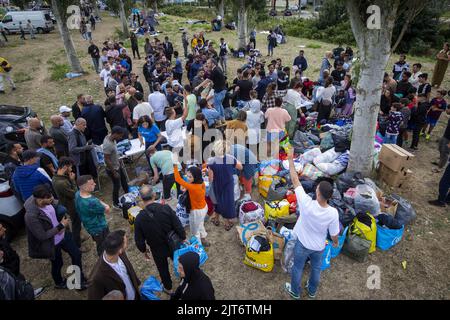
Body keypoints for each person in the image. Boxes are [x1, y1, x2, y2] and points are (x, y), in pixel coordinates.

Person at [284, 149, 339, 300]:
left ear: (318, 192)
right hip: (319, 247)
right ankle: (312, 291)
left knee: (297, 267)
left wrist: (290, 159)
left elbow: (295, 180)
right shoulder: (333, 213)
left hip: (302, 244)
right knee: (316, 269)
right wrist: (335, 242)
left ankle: (295, 292)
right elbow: (334, 234)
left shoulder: (306, 202)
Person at [24, 185, 87, 290]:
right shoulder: (31, 216)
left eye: (51, 196)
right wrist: (60, 226)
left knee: (76, 254)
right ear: (40, 200)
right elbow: (42, 236)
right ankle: (59, 282)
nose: (52, 198)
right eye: (49, 198)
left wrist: (61, 223)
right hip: (52, 243)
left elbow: (54, 210)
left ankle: (78, 280)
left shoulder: (46, 200)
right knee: (58, 263)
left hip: (63, 235)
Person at [134, 185, 187, 294]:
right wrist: (183, 237)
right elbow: (177, 225)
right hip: (173, 243)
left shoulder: (139, 218)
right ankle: (185, 280)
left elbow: (139, 240)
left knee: (163, 269)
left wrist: (144, 250)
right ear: (154, 195)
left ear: (141, 198)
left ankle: (168, 288)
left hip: (156, 248)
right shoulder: (165, 208)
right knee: (179, 262)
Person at [88, 230, 140, 300]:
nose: (127, 243)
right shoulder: (96, 278)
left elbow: (129, 270)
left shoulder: (119, 253)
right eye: (125, 242)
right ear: (120, 250)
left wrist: (137, 284)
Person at [208, 140, 243, 231]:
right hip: (228, 184)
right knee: (228, 202)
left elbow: (210, 178)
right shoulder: (230, 158)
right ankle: (227, 223)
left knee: (217, 201)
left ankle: (216, 218)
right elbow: (240, 167)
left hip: (217, 184)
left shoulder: (211, 161)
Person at [173, 164, 209, 246]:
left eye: (190, 177)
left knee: (194, 232)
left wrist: (175, 166)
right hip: (204, 207)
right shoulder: (201, 182)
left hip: (196, 211)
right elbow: (186, 187)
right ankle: (204, 239)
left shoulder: (192, 187)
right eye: (187, 176)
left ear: (195, 177)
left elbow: (177, 179)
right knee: (200, 224)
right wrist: (186, 184)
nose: (187, 178)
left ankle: (198, 248)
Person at [52, 157, 83, 249]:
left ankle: (77, 239)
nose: (71, 169)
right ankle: (77, 245)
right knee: (76, 225)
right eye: (70, 167)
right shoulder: (61, 182)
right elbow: (75, 194)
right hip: (71, 207)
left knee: (76, 224)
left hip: (67, 204)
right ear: (65, 167)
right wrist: (73, 180)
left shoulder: (56, 177)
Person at [75, 175, 110, 256]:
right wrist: (106, 205)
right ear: (83, 187)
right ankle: (104, 259)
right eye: (91, 184)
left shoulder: (77, 194)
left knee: (98, 241)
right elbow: (107, 210)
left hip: (89, 226)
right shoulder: (92, 202)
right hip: (99, 227)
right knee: (103, 245)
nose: (94, 184)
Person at [103, 127, 129, 209]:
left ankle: (128, 195)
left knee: (124, 180)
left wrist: (118, 160)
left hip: (117, 165)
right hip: (112, 169)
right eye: (120, 136)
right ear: (115, 134)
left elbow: (113, 154)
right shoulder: (108, 145)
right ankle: (115, 203)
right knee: (117, 186)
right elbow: (106, 159)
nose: (120, 138)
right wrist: (114, 172)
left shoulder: (110, 137)